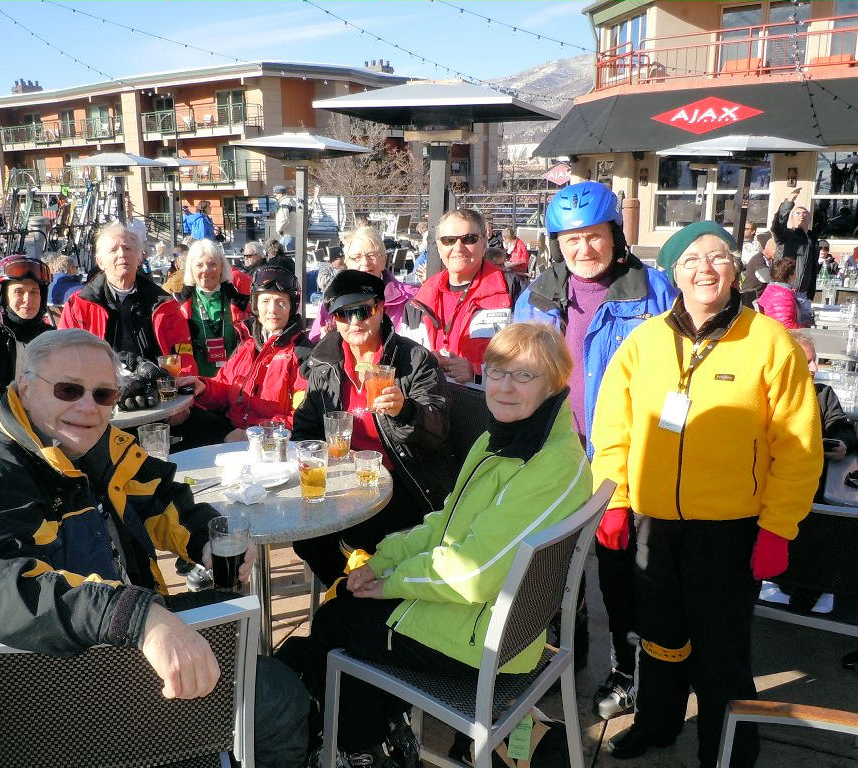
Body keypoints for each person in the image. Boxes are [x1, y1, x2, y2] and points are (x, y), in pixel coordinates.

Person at [0, 329, 309, 768]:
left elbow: (159, 494)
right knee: (282, 700)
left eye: (103, 394)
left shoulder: (90, 442)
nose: (88, 407)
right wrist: (136, 616)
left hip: (112, 640)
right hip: (63, 686)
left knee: (237, 620)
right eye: (68, 390)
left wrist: (203, 539)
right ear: (26, 387)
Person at [277, 322, 591, 768]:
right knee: (348, 603)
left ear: (554, 384)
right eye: (497, 372)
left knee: (336, 623)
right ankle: (382, 734)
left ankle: (361, 748)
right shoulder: (511, 440)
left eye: (524, 375)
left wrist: (391, 583)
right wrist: (384, 561)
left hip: (487, 641)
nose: (504, 387)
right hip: (494, 618)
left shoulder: (545, 464)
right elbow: (446, 522)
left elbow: (474, 572)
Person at [590, 221, 822, 768]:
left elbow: (799, 446)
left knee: (722, 654)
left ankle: (729, 752)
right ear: (674, 274)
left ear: (735, 269)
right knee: (659, 639)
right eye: (691, 260)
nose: (705, 269)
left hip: (730, 530)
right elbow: (613, 428)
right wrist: (614, 500)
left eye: (717, 257)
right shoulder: (644, 341)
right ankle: (657, 722)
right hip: (653, 523)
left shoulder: (770, 343)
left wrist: (778, 526)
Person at [513, 179, 676, 718]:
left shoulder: (654, 292)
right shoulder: (537, 297)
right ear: (555, 243)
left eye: (593, 236)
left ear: (615, 235)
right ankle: (561, 655)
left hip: (625, 456)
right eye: (570, 240)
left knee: (622, 569)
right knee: (552, 565)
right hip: (556, 453)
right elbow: (515, 370)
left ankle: (628, 671)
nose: (583, 249)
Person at [291, 270, 452, 587]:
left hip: (406, 480)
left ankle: (359, 598)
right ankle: (348, 594)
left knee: (356, 535)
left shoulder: (414, 360)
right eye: (343, 314)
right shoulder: (325, 365)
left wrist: (405, 411)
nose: (355, 322)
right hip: (343, 479)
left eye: (363, 310)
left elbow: (438, 431)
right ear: (334, 320)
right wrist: (312, 457)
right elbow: (306, 427)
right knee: (306, 537)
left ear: (380, 309)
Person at [59, 223, 195, 409]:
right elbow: (64, 360)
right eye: (113, 250)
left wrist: (180, 404)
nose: (122, 254)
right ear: (100, 261)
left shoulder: (166, 305)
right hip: (97, 402)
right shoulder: (78, 305)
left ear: (139, 258)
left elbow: (183, 354)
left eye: (128, 248)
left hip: (160, 398)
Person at [179, 266, 311, 441]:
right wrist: (203, 387)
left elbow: (303, 416)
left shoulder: (301, 353)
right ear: (255, 305)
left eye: (281, 302)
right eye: (265, 301)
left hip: (272, 443)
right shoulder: (247, 344)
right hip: (232, 430)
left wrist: (256, 434)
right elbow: (225, 386)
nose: (272, 309)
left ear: (291, 308)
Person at [401, 209, 519, 386]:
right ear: (439, 247)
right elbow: (403, 362)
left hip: (487, 402)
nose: (458, 247)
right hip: (431, 400)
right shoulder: (420, 299)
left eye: (469, 238)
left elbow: (531, 364)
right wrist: (424, 364)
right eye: (448, 240)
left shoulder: (511, 291)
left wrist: (477, 373)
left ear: (484, 243)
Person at [308, 227, 418, 342]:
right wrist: (326, 341)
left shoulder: (411, 298)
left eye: (372, 256)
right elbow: (314, 343)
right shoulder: (332, 300)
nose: (365, 262)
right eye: (357, 257)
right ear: (347, 262)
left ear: (384, 260)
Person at [0, 255, 55, 397]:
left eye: (34, 292)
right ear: (2, 297)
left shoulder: (52, 338)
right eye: (18, 292)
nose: (28, 299)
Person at [791, 331, 857, 502]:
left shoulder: (823, 394)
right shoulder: (767, 400)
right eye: (807, 362)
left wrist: (842, 444)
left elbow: (842, 427)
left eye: (815, 360)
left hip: (816, 487)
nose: (815, 368)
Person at [176, 239, 250, 378]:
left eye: (213, 264)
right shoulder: (179, 305)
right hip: (195, 381)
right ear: (191, 268)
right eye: (199, 265)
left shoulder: (240, 302)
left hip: (234, 380)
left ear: (222, 266)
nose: (206, 270)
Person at [772, 187, 820, 299]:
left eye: (805, 213)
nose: (801, 215)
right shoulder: (787, 235)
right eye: (797, 213)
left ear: (810, 217)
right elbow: (777, 225)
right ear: (791, 218)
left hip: (804, 294)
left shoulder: (812, 239)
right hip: (785, 291)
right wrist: (788, 202)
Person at [756, 257, 804, 329]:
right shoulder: (782, 295)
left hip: (773, 330)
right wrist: (803, 329)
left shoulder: (772, 289)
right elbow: (784, 324)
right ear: (791, 275)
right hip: (780, 333)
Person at [741, 231, 775, 304]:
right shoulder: (758, 259)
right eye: (775, 250)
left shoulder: (770, 260)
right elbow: (765, 278)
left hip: (760, 297)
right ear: (770, 248)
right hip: (750, 296)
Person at [273, 185, 297, 254]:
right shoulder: (292, 202)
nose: (275, 197)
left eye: (275, 195)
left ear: (280, 194)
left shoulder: (284, 203)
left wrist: (279, 230)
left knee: (280, 256)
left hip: (287, 235)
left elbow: (284, 219)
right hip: (294, 235)